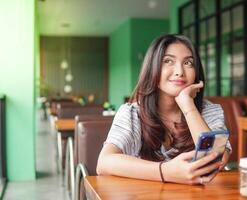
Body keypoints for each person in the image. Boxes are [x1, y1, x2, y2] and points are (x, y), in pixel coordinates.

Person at [97, 34, 231, 185]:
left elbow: (215, 159)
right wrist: (165, 171)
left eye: (188, 63)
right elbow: (104, 162)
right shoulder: (132, 113)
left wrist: (188, 106)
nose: (179, 71)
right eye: (168, 61)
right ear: (152, 69)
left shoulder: (209, 111)